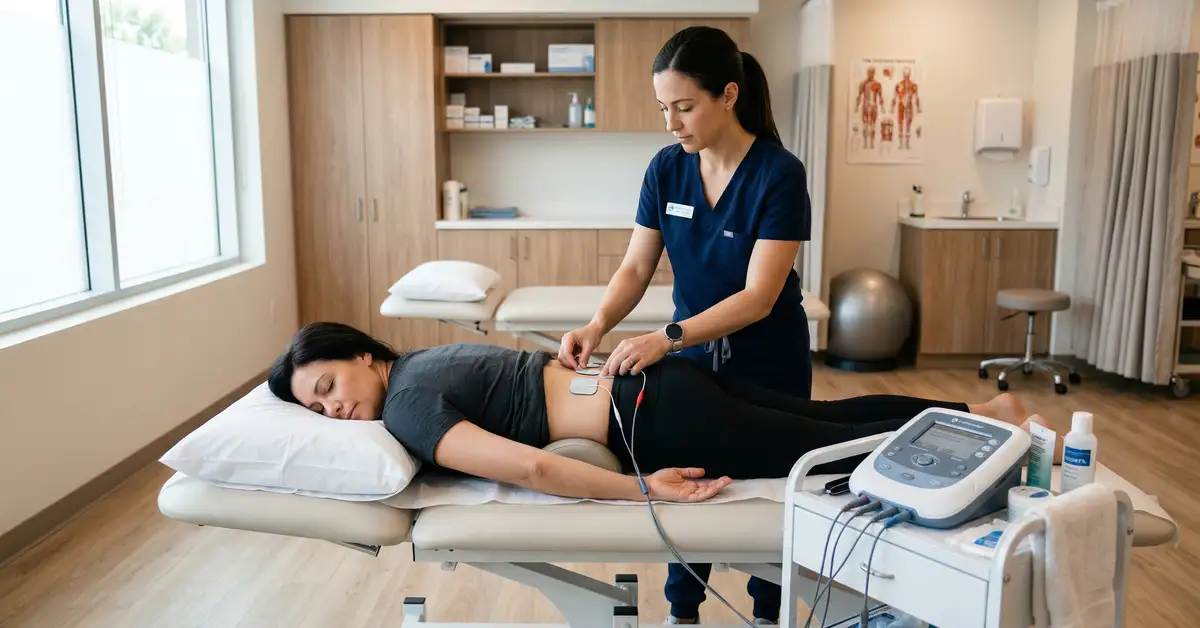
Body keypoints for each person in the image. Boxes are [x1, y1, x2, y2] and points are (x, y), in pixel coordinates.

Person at [267, 321, 1050, 521]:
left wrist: (647, 491)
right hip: (655, 381)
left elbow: (535, 469)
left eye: (329, 384)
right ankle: (981, 410)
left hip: (651, 421)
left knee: (825, 447)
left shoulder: (406, 406)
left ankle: (982, 428)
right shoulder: (426, 361)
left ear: (364, 357)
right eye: (317, 407)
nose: (333, 409)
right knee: (823, 417)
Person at [555, 26, 814, 623]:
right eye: (663, 108)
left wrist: (665, 338)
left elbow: (757, 297)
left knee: (770, 491)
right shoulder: (666, 169)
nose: (671, 122)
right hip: (695, 364)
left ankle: (769, 613)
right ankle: (682, 612)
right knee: (688, 482)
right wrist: (597, 324)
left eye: (685, 106)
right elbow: (637, 265)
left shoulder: (779, 174)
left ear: (728, 94)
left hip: (767, 358)